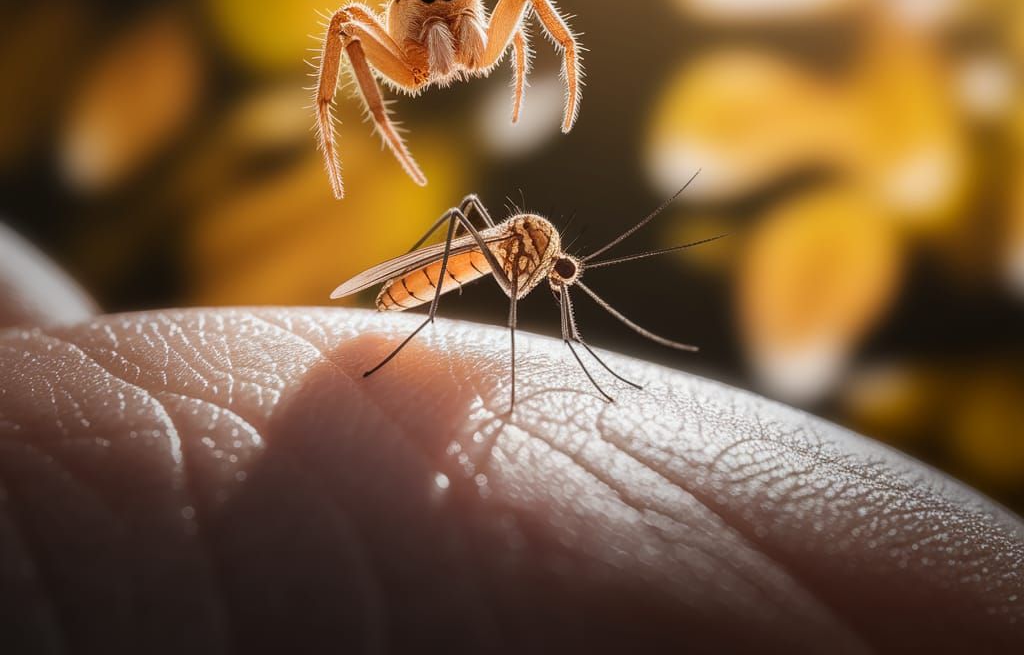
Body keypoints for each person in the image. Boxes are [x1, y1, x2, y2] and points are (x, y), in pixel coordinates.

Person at [0, 228, 1021, 653]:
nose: (556, 280)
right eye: (558, 275)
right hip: (410, 292)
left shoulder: (541, 261)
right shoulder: (515, 248)